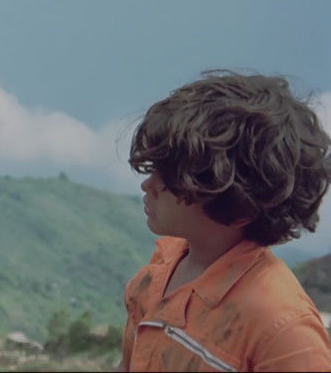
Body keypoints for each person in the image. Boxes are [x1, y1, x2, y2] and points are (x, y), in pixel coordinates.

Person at [118, 70, 331, 371]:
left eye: (173, 177)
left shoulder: (283, 331)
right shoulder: (159, 271)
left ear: (238, 202)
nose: (148, 185)